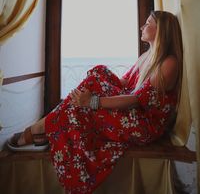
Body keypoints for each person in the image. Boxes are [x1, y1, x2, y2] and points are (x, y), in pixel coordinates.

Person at [7, 10, 183, 194]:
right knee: (98, 73)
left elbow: (134, 100)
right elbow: (124, 83)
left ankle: (38, 130)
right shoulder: (147, 57)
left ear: (161, 30)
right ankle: (42, 129)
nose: (142, 26)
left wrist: (93, 101)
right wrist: (95, 86)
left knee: (77, 109)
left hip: (144, 124)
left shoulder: (168, 63)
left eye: (148, 23)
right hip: (133, 111)